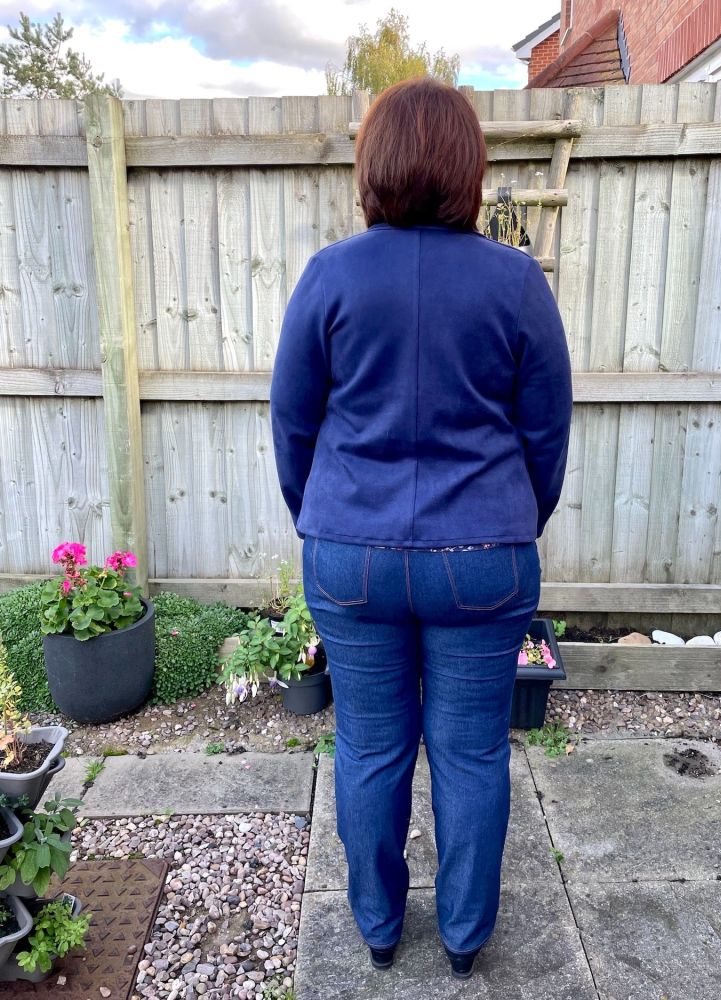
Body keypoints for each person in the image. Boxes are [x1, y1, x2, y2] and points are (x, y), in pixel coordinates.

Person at [270, 76, 572, 980]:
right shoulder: (516, 282)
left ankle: (377, 927)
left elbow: (293, 424)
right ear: (466, 167)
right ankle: (467, 942)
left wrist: (322, 521)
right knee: (472, 748)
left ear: (376, 166)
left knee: (368, 742)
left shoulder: (329, 276)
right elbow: (546, 433)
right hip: (483, 553)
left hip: (351, 550)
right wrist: (516, 520)